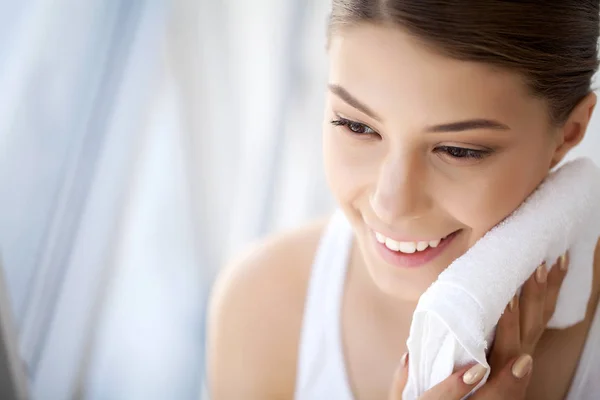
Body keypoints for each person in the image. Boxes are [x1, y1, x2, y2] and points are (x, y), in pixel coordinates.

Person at [207, 1, 600, 399]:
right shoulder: (262, 304)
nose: (390, 204)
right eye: (356, 126)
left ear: (569, 132)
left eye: (458, 150)